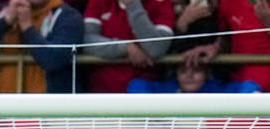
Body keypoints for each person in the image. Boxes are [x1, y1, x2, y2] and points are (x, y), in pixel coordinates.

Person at [0, 0, 84, 93]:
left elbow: (52, 60)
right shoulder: (0, 13)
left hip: (51, 111)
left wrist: (27, 27)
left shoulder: (67, 16)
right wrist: (5, 21)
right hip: (0, 109)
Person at [81, 0, 175, 93]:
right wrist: (125, 47)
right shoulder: (99, 2)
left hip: (143, 92)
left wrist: (132, 5)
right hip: (101, 91)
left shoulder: (161, 3)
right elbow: (87, 40)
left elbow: (156, 49)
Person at [127, 62, 260, 92]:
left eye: (196, 71)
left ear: (207, 74)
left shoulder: (215, 88)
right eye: (183, 71)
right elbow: (137, 85)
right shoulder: (169, 88)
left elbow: (249, 87)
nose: (189, 76)